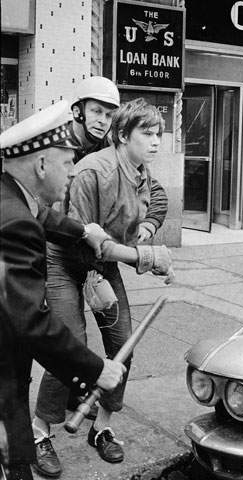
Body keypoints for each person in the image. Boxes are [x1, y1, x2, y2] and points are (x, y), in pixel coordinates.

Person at [31, 98, 174, 476]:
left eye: (159, 133)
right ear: (123, 136)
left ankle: (101, 426)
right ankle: (40, 430)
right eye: (147, 133)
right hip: (64, 261)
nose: (157, 141)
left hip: (102, 268)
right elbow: (91, 239)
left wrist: (147, 228)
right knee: (70, 346)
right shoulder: (93, 171)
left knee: (122, 345)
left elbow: (158, 199)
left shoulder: (141, 171)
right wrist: (146, 257)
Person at [0, 100, 127, 480]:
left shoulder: (10, 194)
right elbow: (31, 322)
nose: (73, 171)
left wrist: (83, 231)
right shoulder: (14, 225)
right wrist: (95, 369)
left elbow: (42, 215)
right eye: (67, 161)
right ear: (40, 165)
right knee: (12, 462)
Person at [66, 75, 168, 243]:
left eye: (109, 115)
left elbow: (153, 191)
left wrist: (149, 223)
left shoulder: (111, 148)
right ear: (78, 112)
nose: (102, 121)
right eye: (96, 111)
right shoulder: (55, 148)